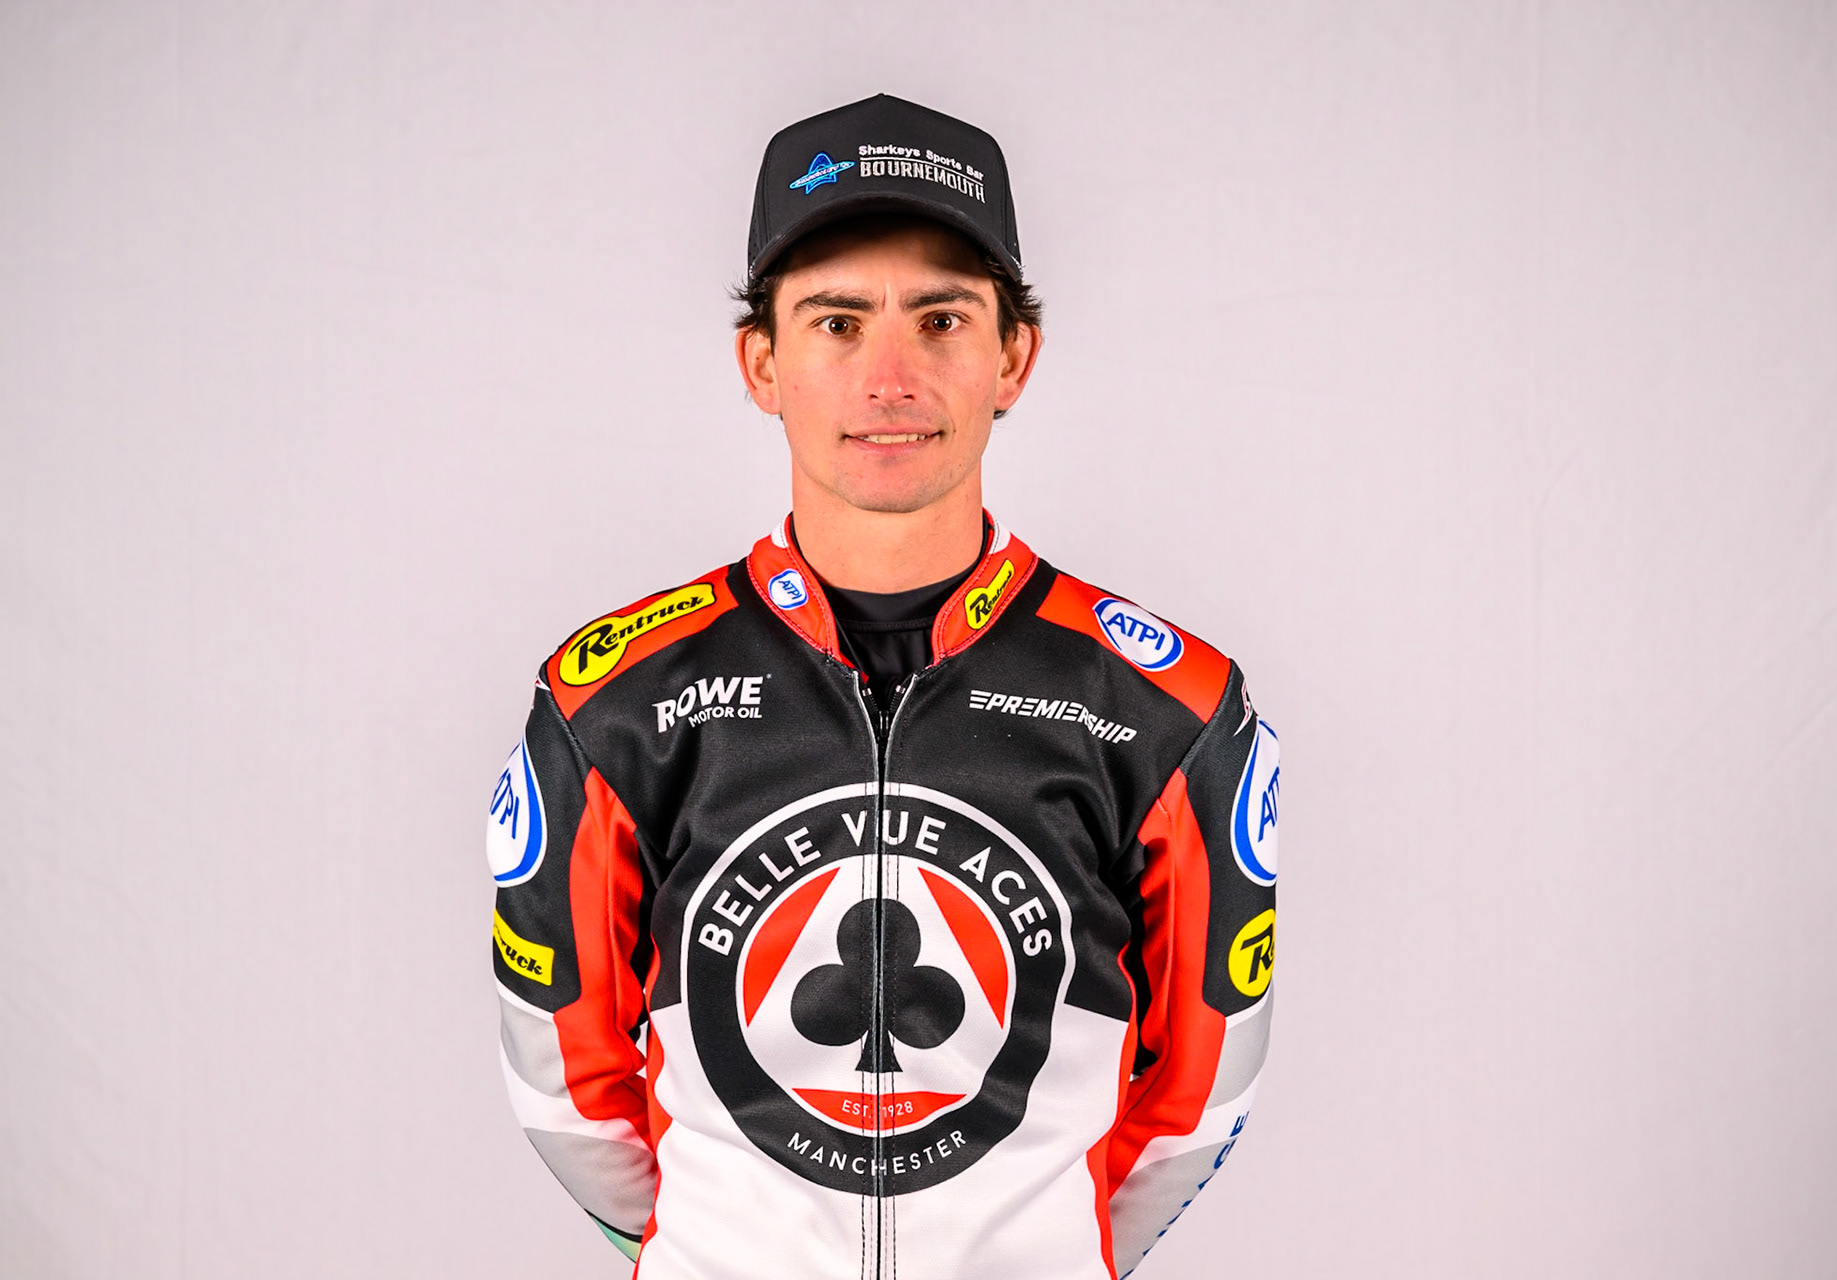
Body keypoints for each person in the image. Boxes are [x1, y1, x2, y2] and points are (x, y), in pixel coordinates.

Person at [487, 93, 1280, 1280]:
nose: (891, 375)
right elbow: (565, 1086)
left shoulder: (1171, 708)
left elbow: (1199, 1097)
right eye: (838, 320)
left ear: (1014, 356)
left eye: (943, 318)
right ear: (762, 362)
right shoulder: (618, 699)